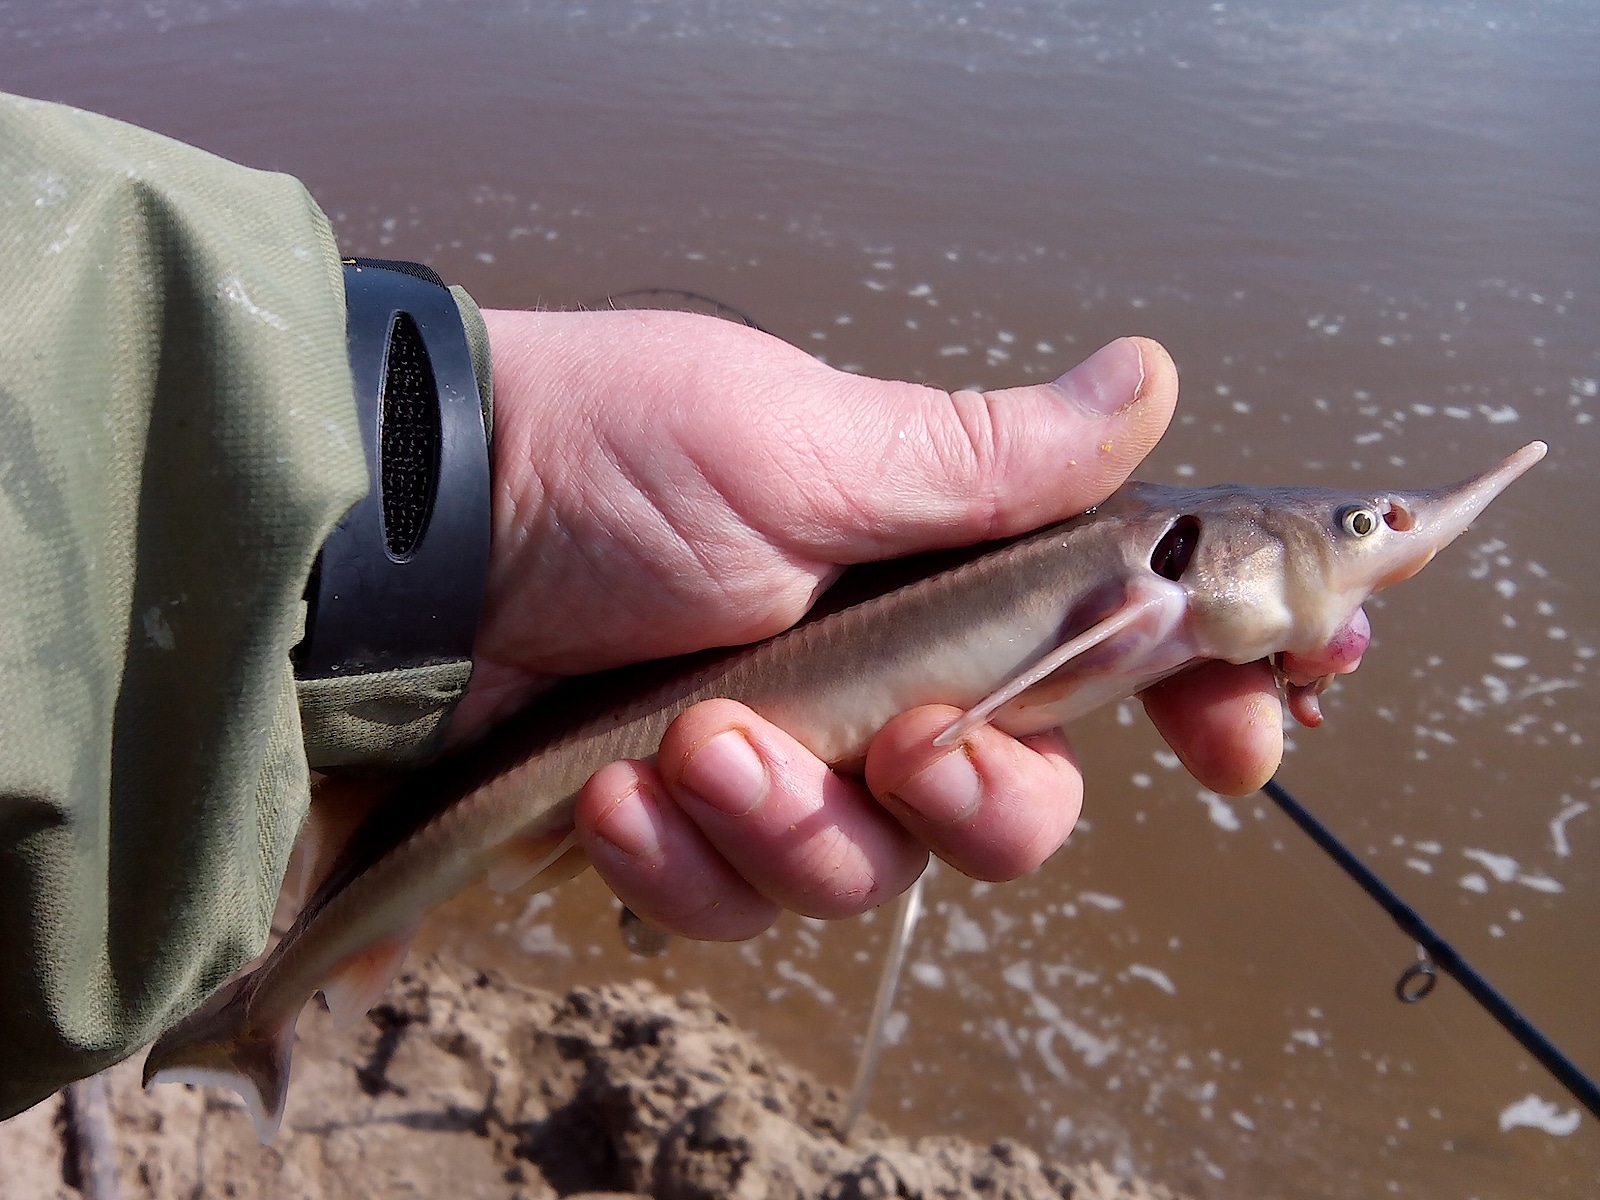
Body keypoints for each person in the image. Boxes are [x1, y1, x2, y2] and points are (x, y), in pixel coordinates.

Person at [0, 92, 1283, 1119]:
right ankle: (260, 1010)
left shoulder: (1147, 616)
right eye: (1357, 526)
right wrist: (482, 501)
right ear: (1180, 553)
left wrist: (475, 515)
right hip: (501, 753)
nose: (1361, 545)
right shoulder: (1130, 573)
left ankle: (263, 1000)